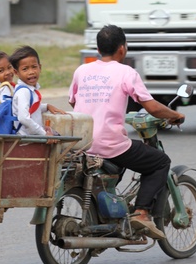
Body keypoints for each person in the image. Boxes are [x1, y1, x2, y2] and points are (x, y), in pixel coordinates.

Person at [68, 24, 185, 239]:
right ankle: (141, 213)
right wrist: (174, 115)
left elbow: (73, 100)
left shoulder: (81, 70)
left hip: (81, 142)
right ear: (122, 49)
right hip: (109, 144)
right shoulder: (126, 72)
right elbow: (151, 107)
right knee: (160, 162)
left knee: (123, 155)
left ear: (98, 48)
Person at [9, 45, 65, 141]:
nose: (31, 72)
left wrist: (46, 106)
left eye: (34, 67)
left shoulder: (29, 90)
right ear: (16, 72)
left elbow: (31, 107)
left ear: (40, 67)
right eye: (25, 69)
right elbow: (23, 118)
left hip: (31, 137)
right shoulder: (24, 92)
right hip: (25, 140)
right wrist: (44, 134)